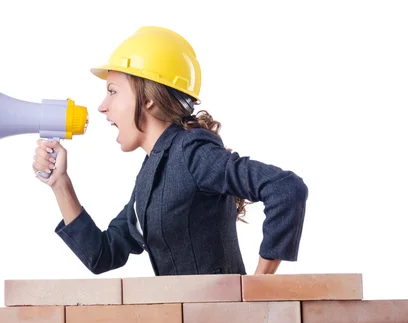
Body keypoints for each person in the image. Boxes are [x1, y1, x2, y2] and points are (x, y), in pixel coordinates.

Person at [31, 26, 308, 276]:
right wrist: (60, 184)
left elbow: (286, 188)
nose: (102, 106)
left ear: (148, 99)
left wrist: (259, 288)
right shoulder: (149, 177)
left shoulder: (192, 152)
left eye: (113, 91)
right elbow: (102, 254)